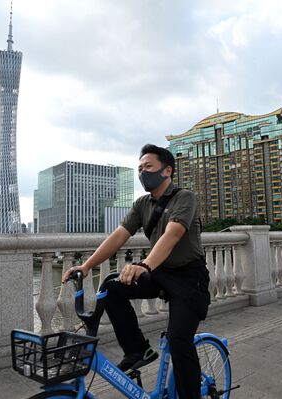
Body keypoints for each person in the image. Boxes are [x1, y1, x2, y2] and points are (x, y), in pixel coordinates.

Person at [62, 144, 210, 399]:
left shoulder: (185, 197)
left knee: (179, 343)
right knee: (111, 287)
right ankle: (138, 350)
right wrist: (86, 267)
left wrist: (144, 265)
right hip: (162, 272)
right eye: (139, 168)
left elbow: (173, 234)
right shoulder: (142, 204)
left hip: (189, 279)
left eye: (148, 167)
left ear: (167, 171)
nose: (142, 173)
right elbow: (118, 236)